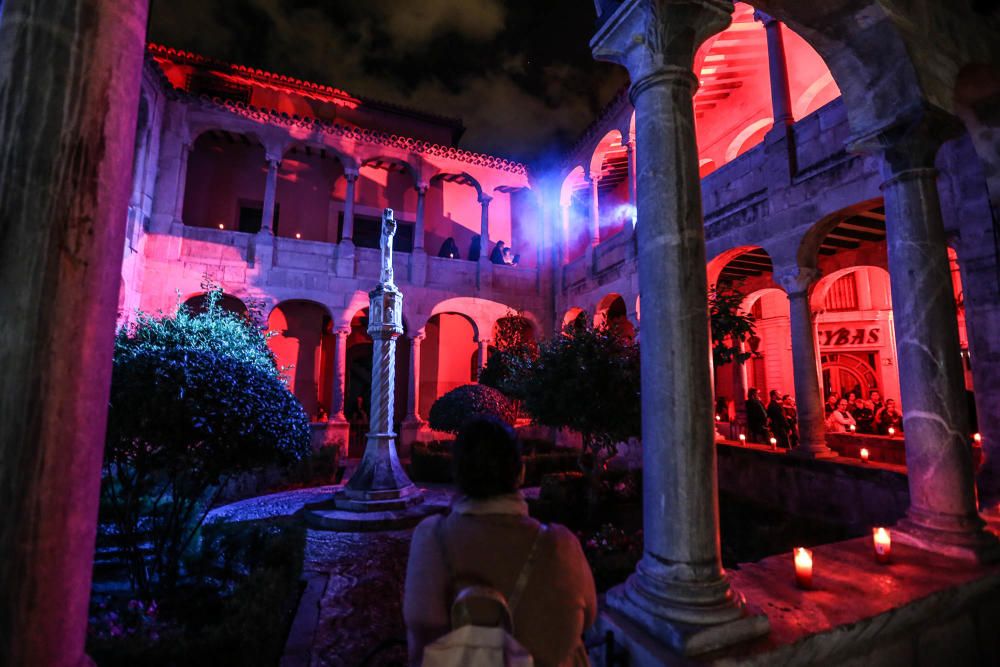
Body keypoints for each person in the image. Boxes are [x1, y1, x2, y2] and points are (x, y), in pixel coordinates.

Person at [404, 416, 597, 666]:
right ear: (521, 473)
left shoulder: (431, 540)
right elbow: (590, 618)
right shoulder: (561, 547)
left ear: (457, 474)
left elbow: (419, 631)